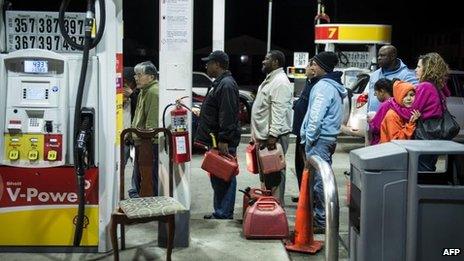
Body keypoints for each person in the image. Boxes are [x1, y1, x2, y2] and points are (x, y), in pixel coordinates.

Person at [300, 51, 347, 233]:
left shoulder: (323, 87)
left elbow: (315, 118)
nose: (312, 67)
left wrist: (309, 141)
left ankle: (321, 221)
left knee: (319, 182)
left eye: (314, 64)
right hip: (327, 138)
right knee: (320, 180)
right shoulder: (334, 86)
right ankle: (321, 218)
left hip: (319, 140)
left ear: (321, 67)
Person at [195, 50, 241, 220]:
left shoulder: (226, 84)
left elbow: (228, 114)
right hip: (216, 138)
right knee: (218, 175)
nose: (206, 65)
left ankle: (224, 212)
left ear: (218, 64)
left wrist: (224, 139)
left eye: (209, 62)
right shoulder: (220, 83)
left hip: (222, 140)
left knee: (224, 175)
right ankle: (220, 210)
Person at [390, 52, 450, 171]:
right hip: (434, 135)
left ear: (427, 69)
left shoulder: (425, 86)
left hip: (425, 136)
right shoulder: (437, 86)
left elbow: (408, 114)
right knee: (428, 168)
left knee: (421, 172)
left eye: (418, 67)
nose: (415, 70)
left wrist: (393, 102)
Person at [251, 50, 293, 205]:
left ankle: (276, 208)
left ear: (275, 62)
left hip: (274, 138)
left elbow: (279, 110)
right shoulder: (272, 80)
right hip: (266, 136)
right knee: (268, 175)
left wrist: (273, 135)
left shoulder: (280, 82)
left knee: (274, 173)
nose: (263, 61)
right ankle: (269, 207)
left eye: (266, 59)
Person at [128, 61, 159, 198]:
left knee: (149, 177)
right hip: (141, 141)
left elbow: (151, 123)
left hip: (149, 143)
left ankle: (151, 204)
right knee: (142, 175)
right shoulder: (143, 91)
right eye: (135, 75)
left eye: (139, 75)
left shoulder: (153, 92)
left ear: (151, 77)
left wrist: (145, 139)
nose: (136, 78)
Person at [291, 59, 316, 203]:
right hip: (299, 132)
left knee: (306, 166)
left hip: (305, 133)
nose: (305, 68)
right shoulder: (309, 82)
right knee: (299, 165)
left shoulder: (317, 85)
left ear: (313, 69)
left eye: (308, 66)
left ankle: (308, 198)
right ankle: (303, 195)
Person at [367, 45, 418, 113]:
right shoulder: (374, 75)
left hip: (392, 121)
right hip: (372, 120)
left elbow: (415, 100)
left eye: (382, 55)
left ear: (393, 56)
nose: (379, 58)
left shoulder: (406, 76)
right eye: (378, 56)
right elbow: (370, 99)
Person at [367, 78, 395, 145]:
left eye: (376, 93)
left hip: (381, 141)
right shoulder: (394, 102)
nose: (375, 95)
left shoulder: (385, 105)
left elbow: (376, 127)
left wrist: (371, 121)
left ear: (382, 92)